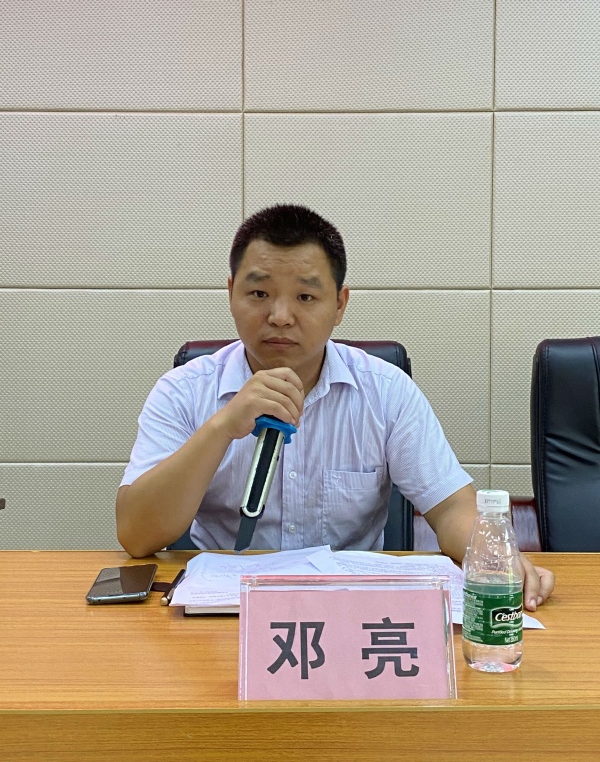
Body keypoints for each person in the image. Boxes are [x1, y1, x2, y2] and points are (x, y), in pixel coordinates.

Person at [116, 204, 554, 611]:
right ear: (231, 293)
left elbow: (451, 507)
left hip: (351, 614)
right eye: (259, 293)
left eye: (305, 297)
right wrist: (221, 428)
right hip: (223, 612)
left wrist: (493, 557)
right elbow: (137, 535)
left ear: (340, 304)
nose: (280, 316)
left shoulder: (385, 391)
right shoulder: (183, 391)